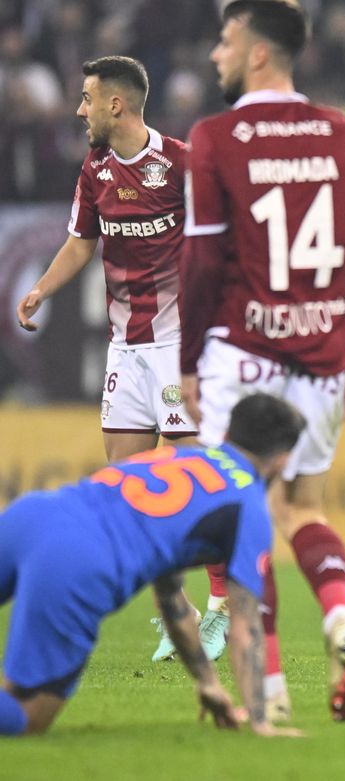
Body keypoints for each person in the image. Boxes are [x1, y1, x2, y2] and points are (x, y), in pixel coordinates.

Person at [180, 0, 345, 722]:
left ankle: (271, 692)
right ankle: (341, 613)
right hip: (323, 353)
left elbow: (203, 263)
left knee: (242, 520)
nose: (216, 54)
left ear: (258, 52)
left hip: (243, 354)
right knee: (305, 508)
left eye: (226, 40)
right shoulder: (344, 135)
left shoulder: (215, 137)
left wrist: (189, 359)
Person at [14, 55, 231, 665]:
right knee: (128, 492)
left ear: (116, 104)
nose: (78, 110)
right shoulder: (96, 168)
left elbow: (223, 240)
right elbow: (81, 242)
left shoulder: (182, 164)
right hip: (126, 350)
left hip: (177, 346)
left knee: (191, 483)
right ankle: (179, 613)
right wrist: (41, 289)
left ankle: (222, 606)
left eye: (86, 99)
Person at [0, 394, 305, 738]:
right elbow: (245, 626)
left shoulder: (182, 456)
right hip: (75, 559)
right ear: (282, 460)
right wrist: (260, 720)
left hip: (31, 514)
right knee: (27, 716)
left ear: (228, 434)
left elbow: (170, 594)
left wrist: (207, 682)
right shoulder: (248, 503)